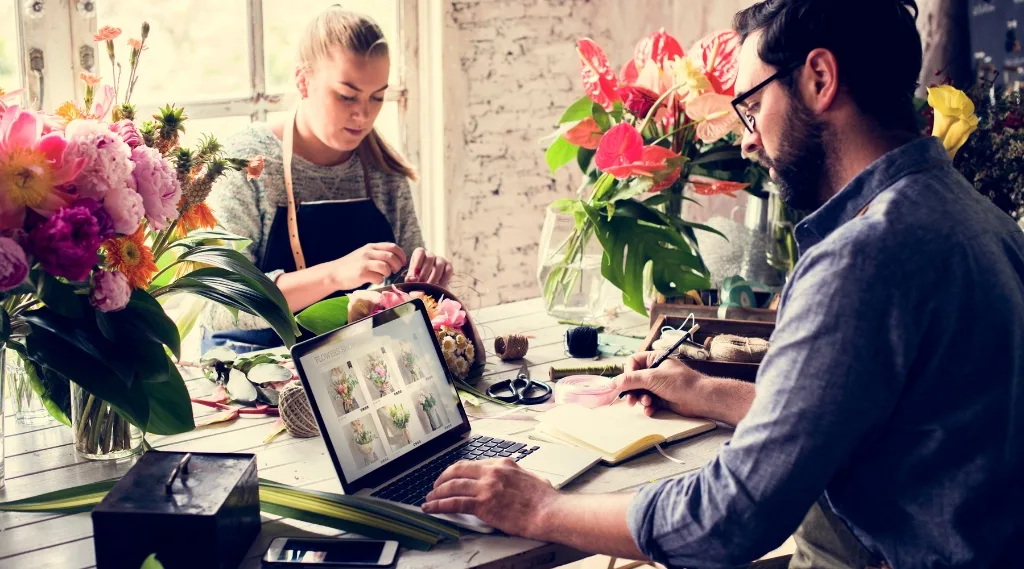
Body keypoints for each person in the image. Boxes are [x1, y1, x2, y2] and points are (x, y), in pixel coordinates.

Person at [421, 1, 1024, 567]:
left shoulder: (861, 258)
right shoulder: (971, 216)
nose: (746, 138)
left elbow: (729, 518)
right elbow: (861, 417)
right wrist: (707, 391)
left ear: (819, 78)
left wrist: (541, 507)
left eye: (753, 106)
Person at [201, 7, 451, 354]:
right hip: (252, 369)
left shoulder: (383, 171)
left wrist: (424, 284)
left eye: (377, 96)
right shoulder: (248, 161)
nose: (363, 115)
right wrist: (335, 275)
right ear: (303, 81)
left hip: (354, 365)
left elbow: (404, 292)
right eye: (347, 95)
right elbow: (220, 304)